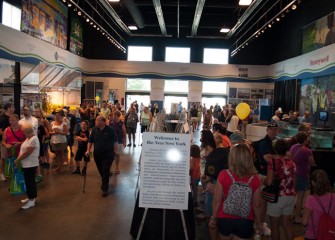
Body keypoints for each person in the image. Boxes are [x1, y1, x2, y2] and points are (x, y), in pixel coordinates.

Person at [210, 144, 262, 240]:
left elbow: (217, 200)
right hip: (245, 219)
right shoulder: (255, 178)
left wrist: (213, 217)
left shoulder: (223, 174)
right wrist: (259, 222)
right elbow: (257, 204)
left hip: (224, 217)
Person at [266, 139, 296, 240]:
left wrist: (263, 181)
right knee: (286, 224)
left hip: (277, 197)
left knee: (275, 227)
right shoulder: (292, 163)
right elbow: (294, 181)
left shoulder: (273, 162)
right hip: (291, 196)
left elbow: (269, 182)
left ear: (275, 149)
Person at [86, 116, 118, 197]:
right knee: (101, 170)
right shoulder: (94, 130)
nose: (95, 121)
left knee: (105, 169)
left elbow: (115, 142)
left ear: (102, 122)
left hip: (108, 154)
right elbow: (90, 141)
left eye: (97, 120)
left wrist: (115, 152)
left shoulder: (110, 130)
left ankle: (105, 189)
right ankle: (104, 179)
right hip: (97, 154)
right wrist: (88, 150)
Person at [301, 169, 335, 240]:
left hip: (313, 236)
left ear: (313, 182)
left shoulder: (311, 199)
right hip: (330, 234)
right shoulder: (333, 197)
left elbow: (304, 222)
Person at [290, 131, 315, 224]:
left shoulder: (292, 147)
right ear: (305, 140)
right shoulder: (307, 150)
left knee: (293, 195)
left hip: (294, 174)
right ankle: (297, 218)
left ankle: (291, 214)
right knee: (300, 198)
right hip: (303, 175)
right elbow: (312, 162)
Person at [14, 124, 40, 210]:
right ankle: (30, 197)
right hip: (26, 164)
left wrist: (18, 160)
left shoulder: (33, 139)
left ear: (26, 131)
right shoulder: (28, 138)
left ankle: (31, 200)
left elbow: (27, 153)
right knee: (28, 181)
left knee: (30, 182)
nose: (22, 133)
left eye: (23, 131)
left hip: (30, 164)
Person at [2, 114, 26, 179]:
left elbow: (28, 140)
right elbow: (3, 141)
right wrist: (6, 145)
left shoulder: (23, 128)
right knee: (13, 170)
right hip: (11, 153)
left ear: (18, 120)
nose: (11, 122)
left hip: (21, 153)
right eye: (10, 120)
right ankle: (14, 185)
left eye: (13, 120)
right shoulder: (7, 130)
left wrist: (20, 143)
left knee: (21, 170)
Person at [0, 102, 15, 181]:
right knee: (3, 157)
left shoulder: (11, 117)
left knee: (11, 157)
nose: (14, 108)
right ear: (9, 108)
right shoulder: (3, 118)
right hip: (4, 142)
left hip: (12, 142)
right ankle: (1, 173)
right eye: (13, 107)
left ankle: (9, 172)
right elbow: (0, 131)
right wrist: (8, 134)